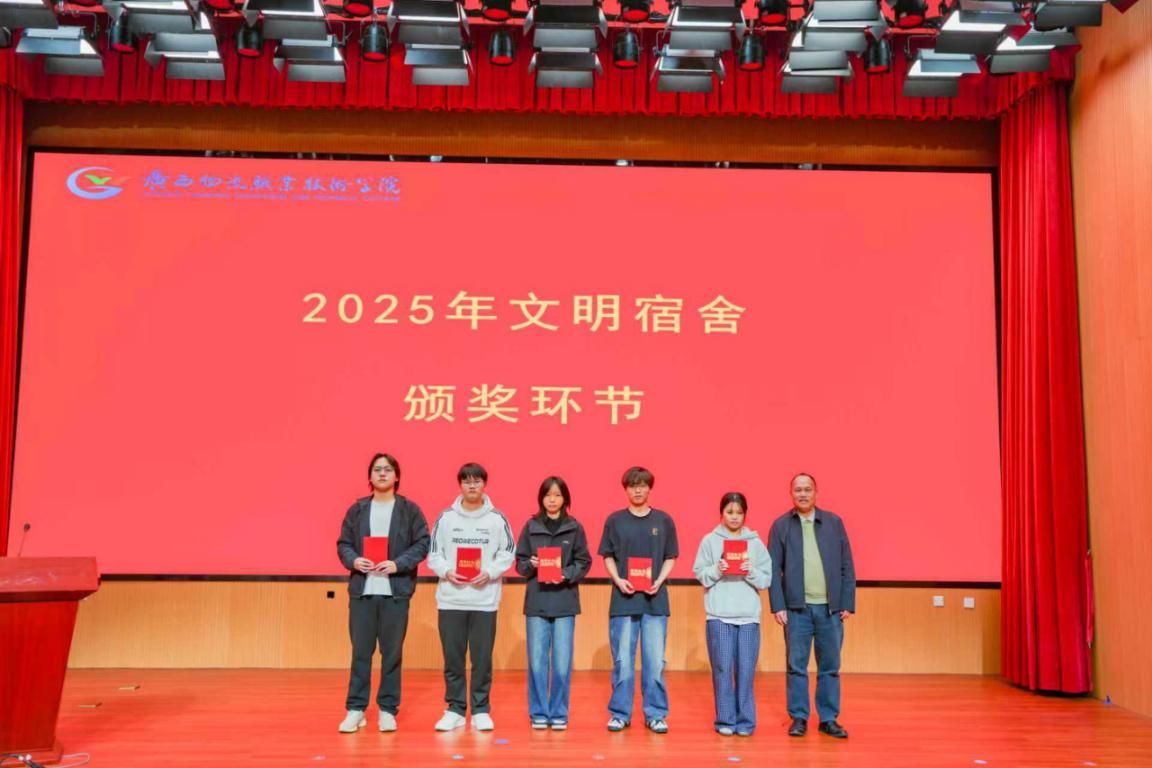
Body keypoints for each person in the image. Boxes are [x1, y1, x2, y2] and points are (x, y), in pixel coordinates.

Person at [335, 452, 430, 733]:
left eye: (388, 469)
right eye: (377, 469)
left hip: (395, 593)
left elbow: (422, 543)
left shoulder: (409, 510)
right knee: (360, 653)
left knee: (392, 654)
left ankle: (388, 710)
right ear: (370, 476)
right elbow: (343, 544)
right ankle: (356, 709)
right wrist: (354, 560)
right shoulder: (358, 510)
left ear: (396, 476)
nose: (382, 473)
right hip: (363, 593)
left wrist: (397, 564)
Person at [427, 462, 515, 732]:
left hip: (484, 602)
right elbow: (434, 554)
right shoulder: (445, 518)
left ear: (484, 484)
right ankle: (454, 709)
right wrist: (446, 571)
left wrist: (490, 572)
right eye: (467, 481)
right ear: (460, 485)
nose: (472, 485)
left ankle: (480, 710)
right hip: (450, 600)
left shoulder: (497, 519)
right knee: (453, 659)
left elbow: (507, 553)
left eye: (477, 481)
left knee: (482, 660)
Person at [767, 473, 856, 739]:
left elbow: (847, 566)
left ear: (816, 492)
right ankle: (799, 717)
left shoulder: (833, 523)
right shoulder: (781, 526)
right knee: (796, 666)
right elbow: (773, 570)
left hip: (830, 609)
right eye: (798, 490)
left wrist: (847, 602)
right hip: (797, 610)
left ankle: (828, 719)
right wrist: (778, 606)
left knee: (830, 666)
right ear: (791, 494)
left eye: (807, 489)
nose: (803, 494)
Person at [597, 466, 679, 734]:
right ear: (626, 489)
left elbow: (670, 556)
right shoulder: (615, 520)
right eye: (633, 486)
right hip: (623, 600)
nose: (638, 490)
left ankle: (655, 714)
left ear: (649, 488)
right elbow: (607, 555)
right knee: (622, 661)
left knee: (654, 662)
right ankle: (620, 713)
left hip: (655, 601)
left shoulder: (664, 520)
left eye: (642, 485)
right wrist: (618, 580)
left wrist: (660, 580)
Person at [514, 476, 592, 730]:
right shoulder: (531, 526)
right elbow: (520, 564)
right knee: (537, 662)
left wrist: (566, 574)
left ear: (565, 499)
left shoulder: (574, 527)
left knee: (561, 663)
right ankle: (538, 712)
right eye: (548, 495)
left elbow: (584, 562)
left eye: (557, 495)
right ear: (541, 498)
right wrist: (531, 564)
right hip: (537, 602)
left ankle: (558, 712)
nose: (552, 500)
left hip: (564, 602)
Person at [692, 492, 772, 737]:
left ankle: (746, 722)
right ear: (721, 513)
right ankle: (725, 720)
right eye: (729, 512)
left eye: (739, 512)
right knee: (723, 669)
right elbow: (700, 574)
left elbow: (766, 579)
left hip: (748, 617)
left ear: (745, 514)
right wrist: (717, 569)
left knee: (746, 671)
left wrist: (751, 571)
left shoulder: (755, 543)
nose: (734, 517)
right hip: (718, 616)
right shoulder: (710, 541)